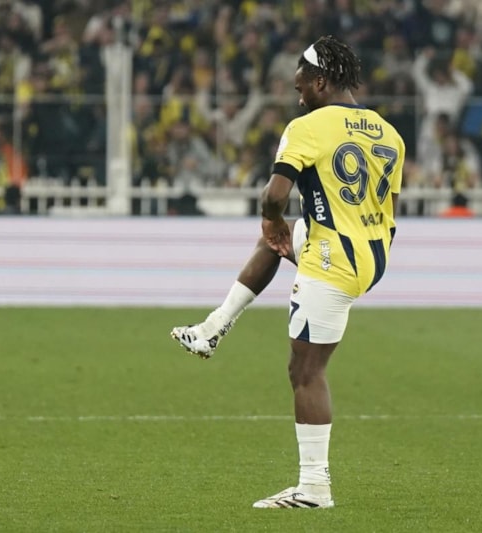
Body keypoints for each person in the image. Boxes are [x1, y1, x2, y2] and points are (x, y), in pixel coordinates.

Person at [170, 35, 405, 509]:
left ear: (320, 81)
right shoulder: (388, 132)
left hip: (332, 259)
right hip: (371, 252)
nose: (298, 97)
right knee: (275, 244)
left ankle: (314, 488)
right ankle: (213, 328)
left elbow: (274, 195)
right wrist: (287, 232)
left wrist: (272, 219)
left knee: (305, 371)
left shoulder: (308, 126)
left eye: (300, 86)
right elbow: (388, 204)